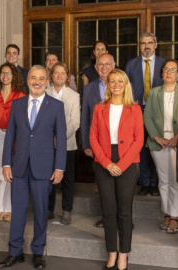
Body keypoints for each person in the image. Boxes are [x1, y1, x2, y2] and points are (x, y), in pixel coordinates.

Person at [0, 65, 67, 269]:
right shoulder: (17, 105)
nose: (37, 82)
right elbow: (10, 135)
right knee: (17, 211)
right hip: (18, 166)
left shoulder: (55, 106)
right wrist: (6, 163)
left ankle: (38, 252)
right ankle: (15, 252)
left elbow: (61, 140)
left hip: (44, 168)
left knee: (41, 211)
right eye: (33, 78)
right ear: (27, 81)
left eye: (41, 78)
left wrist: (59, 167)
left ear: (47, 82)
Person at [90, 69, 143, 270]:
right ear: (108, 85)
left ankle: (123, 254)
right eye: (112, 81)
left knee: (124, 212)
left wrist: (120, 165)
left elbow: (139, 140)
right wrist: (107, 164)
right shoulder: (99, 108)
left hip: (127, 162)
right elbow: (92, 138)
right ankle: (111, 253)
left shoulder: (134, 109)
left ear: (125, 84)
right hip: (104, 161)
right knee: (108, 211)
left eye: (120, 81)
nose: (116, 84)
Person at [0, 63, 26, 221]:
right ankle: (0, 208)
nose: (5, 76)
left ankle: (9, 209)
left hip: (15, 137)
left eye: (8, 73)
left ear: (13, 76)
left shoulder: (20, 95)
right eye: (2, 73)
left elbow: (24, 120)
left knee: (11, 173)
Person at [125, 32, 165, 196]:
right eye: (143, 43)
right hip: (137, 110)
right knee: (140, 146)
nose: (146, 46)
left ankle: (155, 183)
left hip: (158, 112)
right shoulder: (131, 64)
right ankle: (145, 182)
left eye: (150, 43)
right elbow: (126, 87)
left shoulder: (164, 64)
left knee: (156, 146)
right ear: (139, 46)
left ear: (155, 45)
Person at [81, 53, 115, 228]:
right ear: (95, 67)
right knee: (103, 184)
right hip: (98, 144)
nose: (103, 67)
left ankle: (122, 218)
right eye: (100, 64)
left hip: (119, 144)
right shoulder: (89, 89)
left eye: (107, 64)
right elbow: (85, 117)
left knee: (122, 184)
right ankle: (107, 217)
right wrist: (86, 143)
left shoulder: (123, 85)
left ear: (114, 65)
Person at [144, 59, 178, 233]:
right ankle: (166, 212)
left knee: (175, 180)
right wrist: (157, 137)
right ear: (162, 73)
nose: (169, 72)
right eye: (166, 69)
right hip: (159, 144)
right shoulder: (154, 92)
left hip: (176, 142)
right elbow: (147, 116)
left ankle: (174, 215)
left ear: (177, 74)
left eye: (173, 69)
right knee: (163, 180)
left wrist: (176, 137)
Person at [46, 62, 80, 224]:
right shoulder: (44, 93)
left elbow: (75, 122)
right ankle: (48, 209)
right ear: (51, 76)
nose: (59, 75)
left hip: (67, 144)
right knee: (48, 177)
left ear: (67, 77)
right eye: (56, 73)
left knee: (67, 178)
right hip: (46, 145)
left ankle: (67, 210)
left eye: (62, 73)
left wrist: (59, 138)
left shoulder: (74, 96)